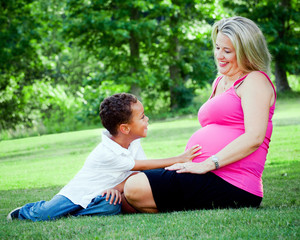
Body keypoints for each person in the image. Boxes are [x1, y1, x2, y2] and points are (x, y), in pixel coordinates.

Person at [123, 16, 277, 213]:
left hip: (232, 182)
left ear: (247, 52)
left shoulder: (254, 80)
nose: (219, 55)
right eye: (217, 47)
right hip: (202, 172)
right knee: (126, 192)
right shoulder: (220, 81)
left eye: (227, 51)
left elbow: (254, 137)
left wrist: (207, 164)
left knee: (135, 188)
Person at [7, 93, 201, 221]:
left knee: (111, 207)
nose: (147, 119)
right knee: (47, 214)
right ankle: (26, 211)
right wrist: (179, 158)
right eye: (142, 117)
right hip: (78, 193)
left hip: (102, 195)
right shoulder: (107, 152)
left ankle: (73, 215)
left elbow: (137, 174)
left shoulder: (133, 143)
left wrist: (116, 189)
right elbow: (142, 166)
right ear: (125, 128)